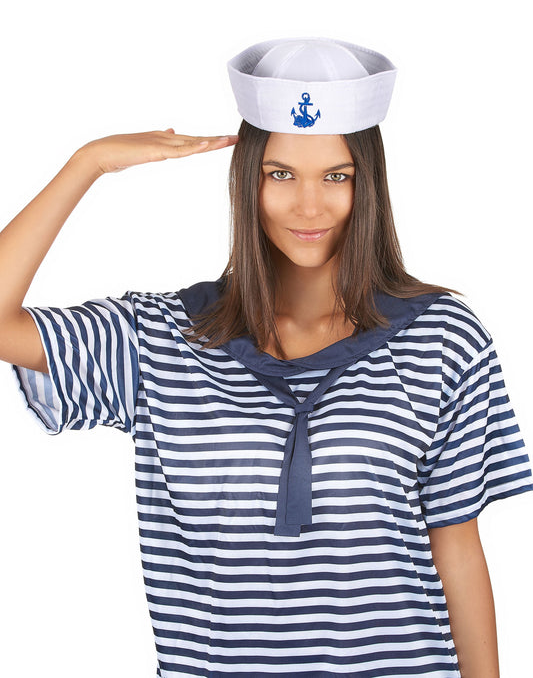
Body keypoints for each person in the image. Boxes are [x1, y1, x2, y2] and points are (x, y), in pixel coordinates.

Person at [0, 36, 531, 678]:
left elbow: (458, 546)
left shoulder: (441, 337)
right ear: (245, 181)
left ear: (370, 185)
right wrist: (87, 164)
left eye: (337, 176)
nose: (309, 205)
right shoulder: (161, 339)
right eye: (280, 174)